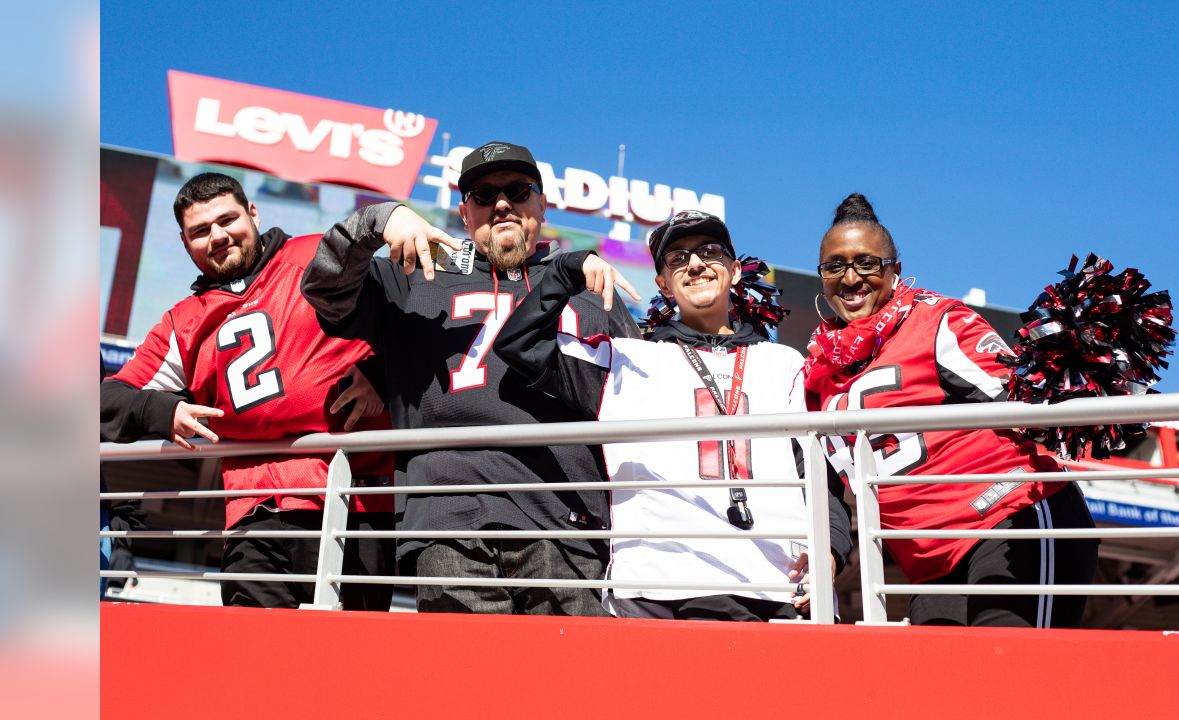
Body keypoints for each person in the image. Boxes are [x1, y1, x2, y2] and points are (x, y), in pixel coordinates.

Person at [301, 141, 640, 616]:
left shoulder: (591, 288)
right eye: (483, 195)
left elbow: (641, 411)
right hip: (447, 515)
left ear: (542, 204)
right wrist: (377, 221)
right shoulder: (415, 275)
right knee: (462, 684)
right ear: (465, 213)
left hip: (565, 520)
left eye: (518, 191)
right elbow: (323, 289)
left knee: (569, 684)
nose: (501, 204)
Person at [494, 210, 853, 621]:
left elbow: (819, 475)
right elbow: (518, 344)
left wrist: (832, 549)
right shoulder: (625, 359)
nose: (695, 263)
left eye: (710, 251)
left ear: (735, 271)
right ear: (662, 283)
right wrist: (570, 268)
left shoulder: (786, 363)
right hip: (660, 591)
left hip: (779, 587)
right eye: (677, 258)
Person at [100, 172, 395, 610]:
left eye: (227, 220)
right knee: (253, 660)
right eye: (200, 231)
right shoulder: (183, 322)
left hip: (351, 501)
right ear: (185, 243)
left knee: (348, 662)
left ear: (253, 213)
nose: (218, 237)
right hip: (251, 515)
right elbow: (106, 400)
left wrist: (382, 375)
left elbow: (416, 310)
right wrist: (164, 411)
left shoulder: (315, 256)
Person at [804, 192, 1098, 627]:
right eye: (835, 266)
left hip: (1012, 518)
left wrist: (1081, 369)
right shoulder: (816, 370)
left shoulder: (937, 320)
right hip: (932, 563)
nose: (851, 277)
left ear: (895, 270)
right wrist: (827, 552)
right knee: (940, 690)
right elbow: (825, 482)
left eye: (867, 263)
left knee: (1010, 676)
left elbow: (1021, 399)